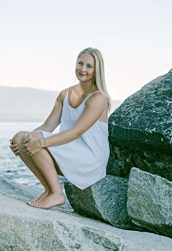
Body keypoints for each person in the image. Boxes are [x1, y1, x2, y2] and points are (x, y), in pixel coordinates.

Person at [9, 47, 111, 209]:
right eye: (80, 63)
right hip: (69, 149)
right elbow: (47, 126)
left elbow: (76, 132)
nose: (83, 69)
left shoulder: (98, 98)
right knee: (21, 136)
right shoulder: (65, 94)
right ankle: (49, 190)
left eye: (89, 66)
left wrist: (41, 142)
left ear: (97, 70)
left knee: (36, 141)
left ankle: (57, 193)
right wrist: (21, 143)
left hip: (90, 158)